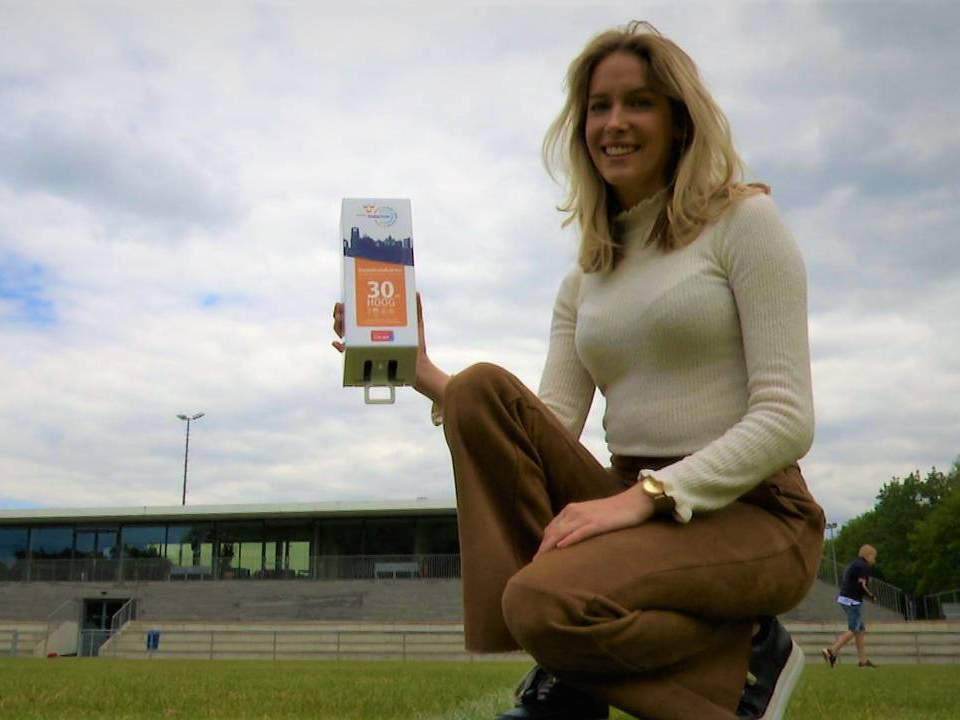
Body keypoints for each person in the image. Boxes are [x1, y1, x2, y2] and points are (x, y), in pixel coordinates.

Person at [332, 20, 823, 720]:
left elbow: (787, 417)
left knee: (539, 601)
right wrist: (424, 373)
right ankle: (694, 662)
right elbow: (545, 430)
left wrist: (640, 498)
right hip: (637, 506)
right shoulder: (587, 276)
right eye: (599, 107)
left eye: (639, 103)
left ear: (680, 121)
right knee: (478, 391)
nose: (614, 123)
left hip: (752, 511)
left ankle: (670, 676)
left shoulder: (746, 223)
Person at [822, 544, 878, 668]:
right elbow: (862, 585)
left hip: (844, 597)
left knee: (860, 629)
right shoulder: (864, 566)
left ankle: (862, 661)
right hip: (852, 600)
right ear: (868, 556)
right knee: (854, 628)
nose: (874, 561)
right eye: (874, 557)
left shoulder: (854, 564)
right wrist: (871, 596)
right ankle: (831, 651)